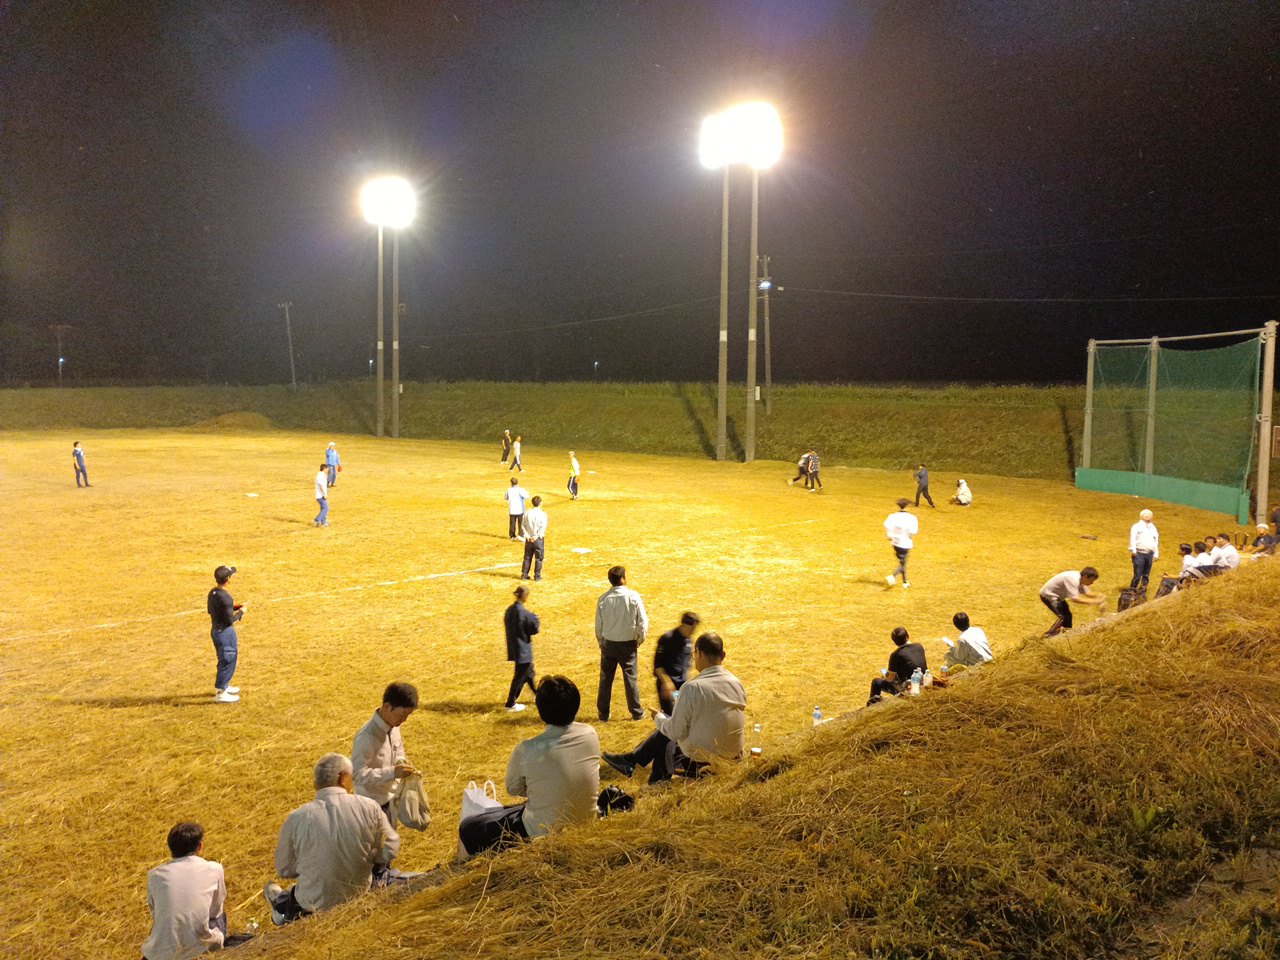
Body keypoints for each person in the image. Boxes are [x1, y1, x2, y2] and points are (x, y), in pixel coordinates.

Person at [458, 676, 600, 857]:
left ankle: (470, 865)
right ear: (576, 705)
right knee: (514, 810)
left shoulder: (528, 748)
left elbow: (513, 788)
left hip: (539, 832)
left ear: (540, 710)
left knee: (469, 827)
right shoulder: (590, 734)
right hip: (585, 821)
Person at [264, 753, 400, 924]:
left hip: (312, 904)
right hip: (360, 894)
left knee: (297, 894)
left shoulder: (297, 818)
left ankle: (282, 905)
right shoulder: (370, 806)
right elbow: (382, 853)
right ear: (343, 778)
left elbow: (284, 870)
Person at [602, 632, 746, 784]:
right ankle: (635, 764)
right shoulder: (736, 683)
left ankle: (653, 781)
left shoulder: (692, 688)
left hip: (703, 764)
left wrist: (658, 718)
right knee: (669, 727)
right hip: (733, 758)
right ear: (723, 655)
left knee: (666, 737)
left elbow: (674, 731)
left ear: (699, 654)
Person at [141, 821, 227, 960]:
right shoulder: (214, 869)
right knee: (217, 918)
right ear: (200, 846)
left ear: (171, 848)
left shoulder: (155, 875)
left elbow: (156, 913)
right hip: (200, 949)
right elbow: (216, 910)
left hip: (159, 953)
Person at [352, 683, 419, 818]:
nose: (405, 720)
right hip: (371, 804)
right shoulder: (368, 736)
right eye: (403, 714)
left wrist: (400, 761)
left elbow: (398, 748)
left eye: (408, 715)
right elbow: (357, 774)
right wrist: (393, 772)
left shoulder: (394, 725)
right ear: (387, 706)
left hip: (390, 799)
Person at [594, 565, 649, 721]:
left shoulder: (603, 599)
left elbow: (598, 625)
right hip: (628, 644)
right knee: (630, 679)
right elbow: (642, 622)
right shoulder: (633, 597)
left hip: (609, 643)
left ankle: (603, 713)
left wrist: (601, 640)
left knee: (606, 679)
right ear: (623, 579)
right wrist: (639, 639)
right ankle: (636, 712)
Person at [207, 565, 243, 703]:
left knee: (225, 658)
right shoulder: (226, 597)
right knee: (228, 659)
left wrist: (232, 607)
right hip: (225, 633)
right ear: (227, 579)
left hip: (216, 630)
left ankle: (225, 685)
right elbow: (229, 620)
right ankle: (221, 692)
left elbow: (214, 610)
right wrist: (241, 612)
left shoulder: (213, 593)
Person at [653, 612, 699, 715]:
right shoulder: (667, 639)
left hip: (681, 686)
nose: (693, 631)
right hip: (668, 686)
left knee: (682, 714)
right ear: (684, 624)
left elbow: (686, 664)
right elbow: (658, 665)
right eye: (692, 628)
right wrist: (667, 683)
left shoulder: (688, 641)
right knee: (670, 716)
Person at [867, 626, 928, 705]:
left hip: (908, 688)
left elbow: (890, 679)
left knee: (876, 682)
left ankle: (872, 706)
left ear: (895, 642)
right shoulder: (919, 646)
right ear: (907, 636)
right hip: (924, 683)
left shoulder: (896, 655)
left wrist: (885, 675)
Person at [1039, 567, 1105, 636]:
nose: (1092, 583)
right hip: (1048, 595)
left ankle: (1065, 634)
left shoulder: (1081, 579)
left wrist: (1099, 596)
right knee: (1062, 617)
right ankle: (1049, 635)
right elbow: (1075, 599)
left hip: (1058, 596)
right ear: (1085, 577)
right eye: (1091, 580)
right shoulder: (1073, 580)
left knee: (1068, 616)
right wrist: (1095, 602)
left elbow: (1087, 593)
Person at [504, 586, 539, 712]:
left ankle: (539, 696)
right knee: (520, 676)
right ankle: (510, 703)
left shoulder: (509, 610)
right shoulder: (524, 613)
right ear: (525, 596)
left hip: (514, 647)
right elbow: (534, 630)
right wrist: (535, 620)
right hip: (523, 649)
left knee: (529, 673)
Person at [884, 498, 919, 588]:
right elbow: (913, 531)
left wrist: (890, 535)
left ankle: (905, 582)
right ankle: (893, 576)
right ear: (907, 506)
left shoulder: (892, 516)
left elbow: (887, 526)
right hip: (905, 543)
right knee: (903, 564)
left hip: (895, 543)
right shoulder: (912, 518)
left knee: (902, 562)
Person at [1128, 508, 1159, 590]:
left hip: (1149, 554)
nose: (1148, 515)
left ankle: (1143, 589)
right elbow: (1133, 538)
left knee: (1146, 574)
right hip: (1139, 553)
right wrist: (1133, 549)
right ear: (1141, 517)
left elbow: (1155, 541)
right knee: (1138, 573)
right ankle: (1132, 589)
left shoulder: (1153, 528)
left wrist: (1156, 553)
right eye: (1145, 514)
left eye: (1150, 514)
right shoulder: (1136, 526)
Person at [520, 495, 548, 581]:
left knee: (527, 557)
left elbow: (523, 525)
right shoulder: (543, 514)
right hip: (538, 539)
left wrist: (527, 535)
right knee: (539, 558)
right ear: (540, 503)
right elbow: (542, 528)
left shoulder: (527, 513)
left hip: (529, 539)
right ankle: (537, 576)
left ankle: (524, 574)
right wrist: (536, 536)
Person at [314, 462, 329, 527]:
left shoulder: (322, 474)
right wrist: (324, 494)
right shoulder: (320, 475)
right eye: (327, 468)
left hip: (322, 495)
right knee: (326, 508)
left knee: (323, 509)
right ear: (324, 468)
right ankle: (317, 520)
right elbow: (320, 486)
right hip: (321, 496)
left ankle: (324, 522)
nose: (328, 470)